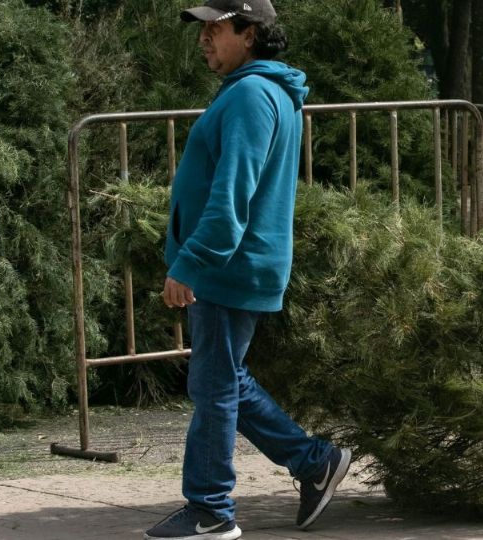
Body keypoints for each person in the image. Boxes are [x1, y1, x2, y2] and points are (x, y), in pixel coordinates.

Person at [146, 1, 350, 538]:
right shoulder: (257, 91)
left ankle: (211, 511)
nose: (203, 40)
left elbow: (232, 194)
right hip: (235, 263)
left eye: (215, 28)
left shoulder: (253, 96)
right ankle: (314, 462)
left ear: (251, 32)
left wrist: (191, 262)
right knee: (224, 379)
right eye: (203, 29)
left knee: (213, 389)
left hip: (227, 265)